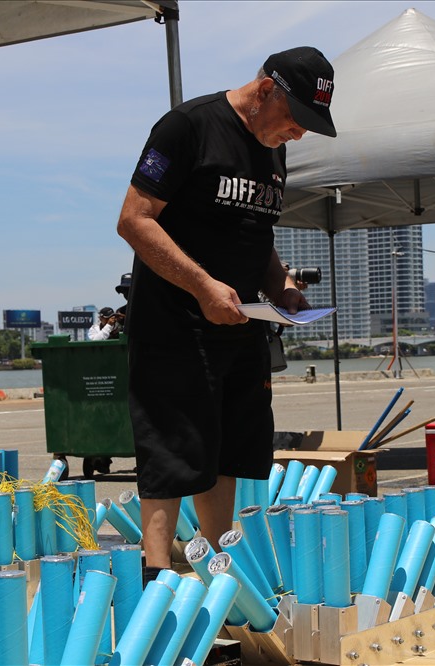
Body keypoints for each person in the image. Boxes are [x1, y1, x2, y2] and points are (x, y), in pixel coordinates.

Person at [116, 46, 337, 576]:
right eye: (295, 118)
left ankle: (217, 569)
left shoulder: (272, 148)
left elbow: (255, 231)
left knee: (231, 451)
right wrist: (203, 287)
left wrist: (279, 283)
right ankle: (156, 575)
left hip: (241, 325)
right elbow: (134, 220)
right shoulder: (187, 127)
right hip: (175, 325)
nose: (299, 134)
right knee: (171, 453)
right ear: (265, 92)